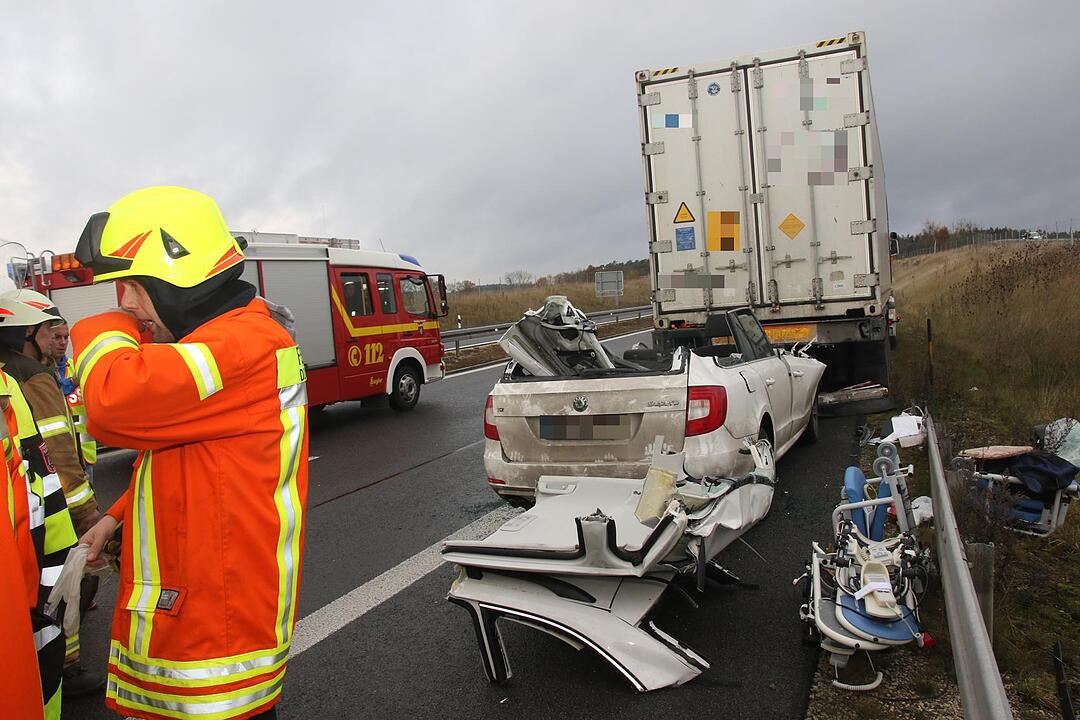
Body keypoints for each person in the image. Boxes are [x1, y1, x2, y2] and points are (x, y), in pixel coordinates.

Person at [74, 186, 310, 720]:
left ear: (176, 274)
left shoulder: (244, 344)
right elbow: (181, 463)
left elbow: (113, 400)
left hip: (217, 640)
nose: (125, 303)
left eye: (132, 286)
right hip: (200, 622)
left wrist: (110, 325)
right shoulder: (217, 342)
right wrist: (114, 519)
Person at [0, 290, 104, 697]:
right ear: (29, 330)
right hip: (52, 516)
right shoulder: (33, 375)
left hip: (17, 515)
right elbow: (59, 450)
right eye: (48, 330)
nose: (54, 339)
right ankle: (66, 670)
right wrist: (87, 513)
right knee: (57, 603)